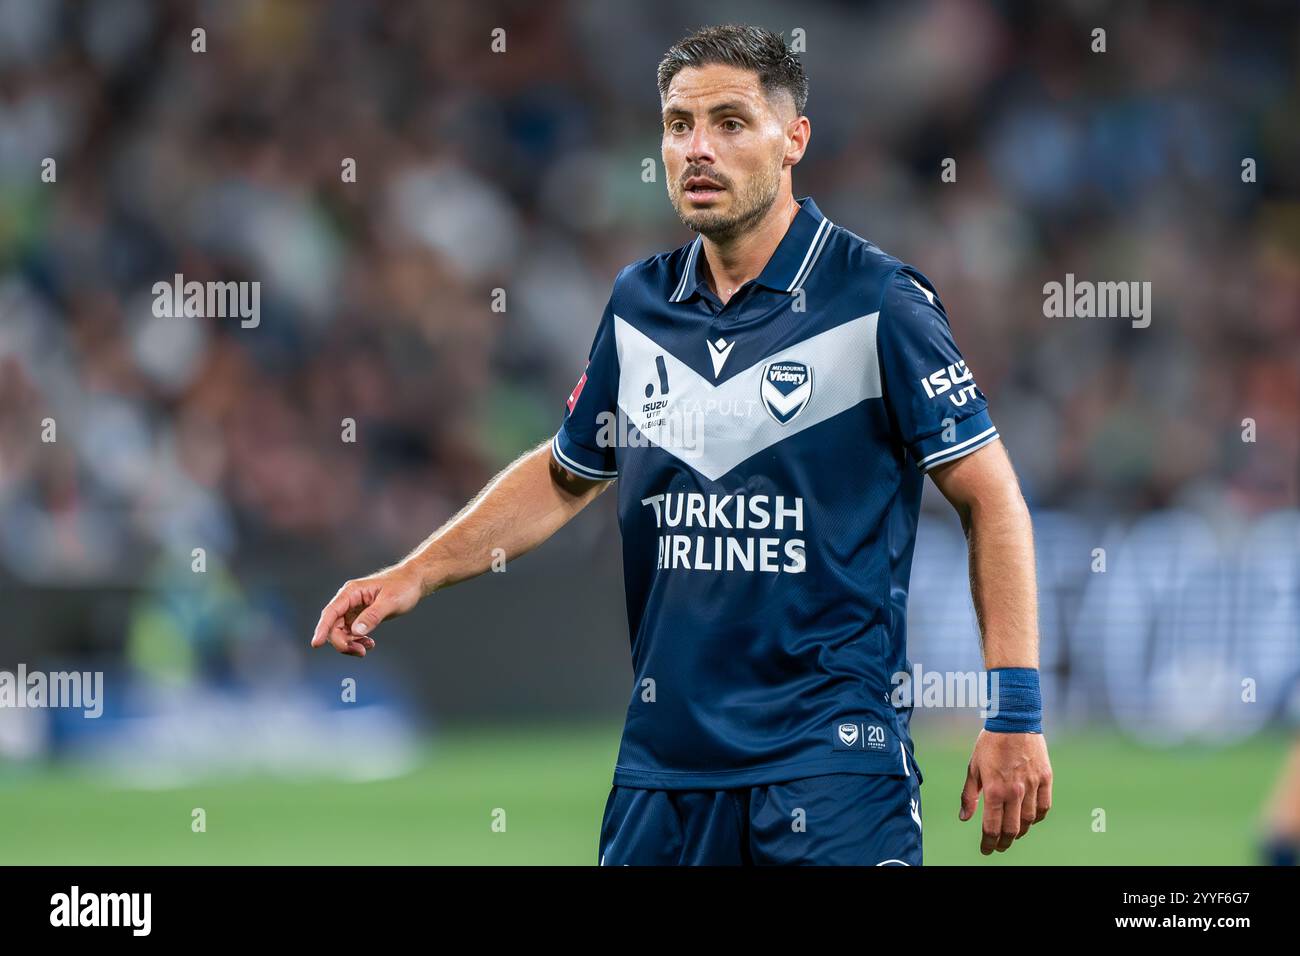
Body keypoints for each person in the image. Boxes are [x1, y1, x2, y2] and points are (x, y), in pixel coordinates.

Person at [311, 23, 1051, 865]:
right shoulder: (640, 304)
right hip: (664, 776)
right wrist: (415, 571)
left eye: (731, 122)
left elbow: (990, 498)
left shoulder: (878, 300)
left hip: (832, 769)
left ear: (793, 138)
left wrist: (1015, 713)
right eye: (677, 125)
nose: (698, 148)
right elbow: (565, 474)